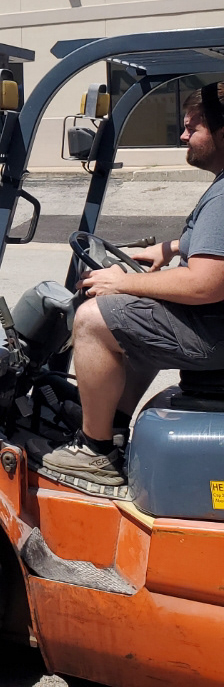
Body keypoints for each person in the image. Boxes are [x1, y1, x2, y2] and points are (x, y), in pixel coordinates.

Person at [41, 83, 224, 489]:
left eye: (192, 128)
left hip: (214, 335)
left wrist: (125, 282)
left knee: (93, 318)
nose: (183, 136)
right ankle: (116, 423)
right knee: (136, 315)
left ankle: (94, 449)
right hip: (216, 328)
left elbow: (207, 284)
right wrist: (170, 247)